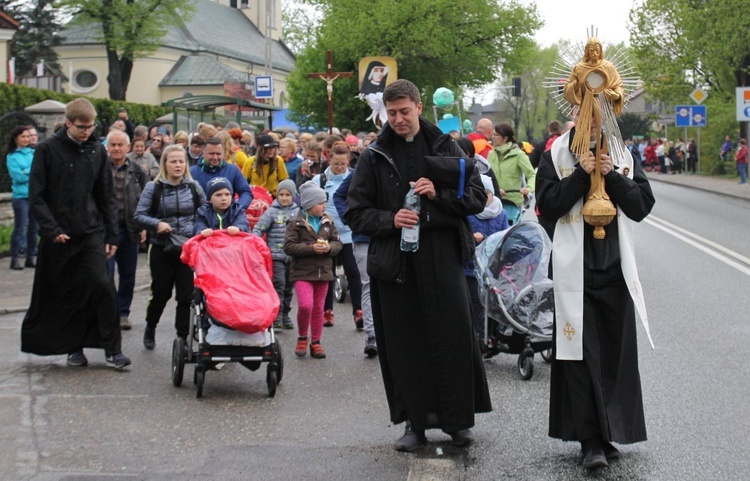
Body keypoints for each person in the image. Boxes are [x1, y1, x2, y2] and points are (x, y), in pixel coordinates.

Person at [344, 79, 492, 452]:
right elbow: (354, 212)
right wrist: (390, 219)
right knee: (405, 346)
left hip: (442, 257)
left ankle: (458, 423)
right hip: (397, 265)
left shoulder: (449, 146)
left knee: (454, 339)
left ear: (419, 107)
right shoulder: (374, 154)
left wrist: (438, 195)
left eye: (404, 112)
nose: (398, 120)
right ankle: (415, 424)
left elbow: (476, 198)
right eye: (392, 113)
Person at [535, 114, 655, 470]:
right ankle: (590, 440)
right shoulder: (554, 155)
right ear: (573, 112)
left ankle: (611, 432)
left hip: (615, 269)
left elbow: (641, 206)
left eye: (597, 112)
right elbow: (547, 207)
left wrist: (612, 175)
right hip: (576, 270)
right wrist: (580, 175)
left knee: (615, 355)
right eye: (582, 111)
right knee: (580, 356)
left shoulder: (621, 152)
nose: (590, 120)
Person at [22, 97, 131, 370]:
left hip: (91, 231)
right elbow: (36, 196)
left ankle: (112, 349)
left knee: (103, 285)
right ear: (69, 123)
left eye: (91, 126)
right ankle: (74, 348)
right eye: (82, 127)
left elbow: (106, 195)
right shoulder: (47, 150)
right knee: (68, 292)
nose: (87, 131)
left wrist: (111, 235)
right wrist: (51, 229)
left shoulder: (97, 151)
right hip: (59, 235)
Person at [134, 145, 206, 350]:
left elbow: (205, 212)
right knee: (161, 293)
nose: (178, 165)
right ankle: (150, 326)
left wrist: (200, 230)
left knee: (185, 295)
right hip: (161, 248)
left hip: (186, 249)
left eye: (181, 161)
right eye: (173, 161)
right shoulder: (153, 187)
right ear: (165, 164)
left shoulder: (193, 187)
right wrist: (157, 224)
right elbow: (138, 216)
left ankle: (182, 337)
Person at [284, 182, 342, 359]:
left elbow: (337, 243)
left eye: (325, 202)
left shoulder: (328, 222)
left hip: (323, 272)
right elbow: (289, 247)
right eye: (320, 203)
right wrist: (312, 248)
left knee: (318, 308)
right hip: (302, 272)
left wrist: (329, 248)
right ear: (309, 205)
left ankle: (316, 342)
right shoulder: (295, 224)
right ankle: (302, 336)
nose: (324, 206)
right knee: (305, 305)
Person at [309, 143, 363, 329]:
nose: (340, 168)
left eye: (343, 164)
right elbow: (308, 202)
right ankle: (327, 312)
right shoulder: (319, 180)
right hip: (327, 233)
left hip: (349, 233)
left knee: (353, 273)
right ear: (329, 160)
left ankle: (358, 311)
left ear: (348, 161)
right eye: (336, 164)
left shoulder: (355, 177)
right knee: (327, 273)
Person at [106, 129, 149, 331]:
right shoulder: (100, 169)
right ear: (107, 147)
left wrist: (143, 226)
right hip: (106, 232)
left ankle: (123, 313)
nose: (116, 148)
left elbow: (145, 201)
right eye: (112, 145)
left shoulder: (139, 171)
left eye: (119, 145)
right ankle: (108, 311)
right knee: (105, 274)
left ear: (128, 147)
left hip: (129, 229)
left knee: (128, 275)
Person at [465, 175, 509, 347]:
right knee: (478, 304)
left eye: (487, 194)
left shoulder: (501, 213)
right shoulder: (468, 213)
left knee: (497, 303)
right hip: (471, 268)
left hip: (493, 268)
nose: (484, 198)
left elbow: (505, 236)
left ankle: (496, 333)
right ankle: (483, 336)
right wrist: (471, 238)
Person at [253, 179, 299, 330]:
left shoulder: (298, 212)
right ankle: (277, 315)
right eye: (281, 194)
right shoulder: (271, 212)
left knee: (289, 287)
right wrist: (255, 243)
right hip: (276, 255)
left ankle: (286, 314)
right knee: (278, 284)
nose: (284, 198)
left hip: (293, 256)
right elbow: (259, 228)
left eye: (287, 195)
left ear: (293, 195)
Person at [6, 125, 39, 270]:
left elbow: (40, 173)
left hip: (34, 195)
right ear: (16, 139)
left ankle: (30, 257)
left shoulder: (33, 153)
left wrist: (27, 171)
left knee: (34, 229)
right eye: (23, 137)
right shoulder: (12, 156)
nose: (26, 139)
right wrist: (30, 172)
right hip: (21, 197)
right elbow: (17, 176)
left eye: (27, 136)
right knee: (20, 228)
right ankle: (15, 258)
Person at [190, 137, 252, 210]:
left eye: (218, 154)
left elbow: (246, 192)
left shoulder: (233, 170)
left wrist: (237, 209)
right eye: (211, 153)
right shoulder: (192, 172)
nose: (215, 157)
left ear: (223, 154)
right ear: (203, 154)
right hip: (201, 217)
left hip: (228, 217)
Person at [487, 123, 536, 212]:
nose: (492, 137)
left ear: (505, 138)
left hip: (513, 203)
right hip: (494, 202)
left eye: (496, 135)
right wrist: (495, 190)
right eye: (492, 134)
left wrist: (528, 189)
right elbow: (487, 176)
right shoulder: (491, 154)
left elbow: (532, 174)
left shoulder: (518, 155)